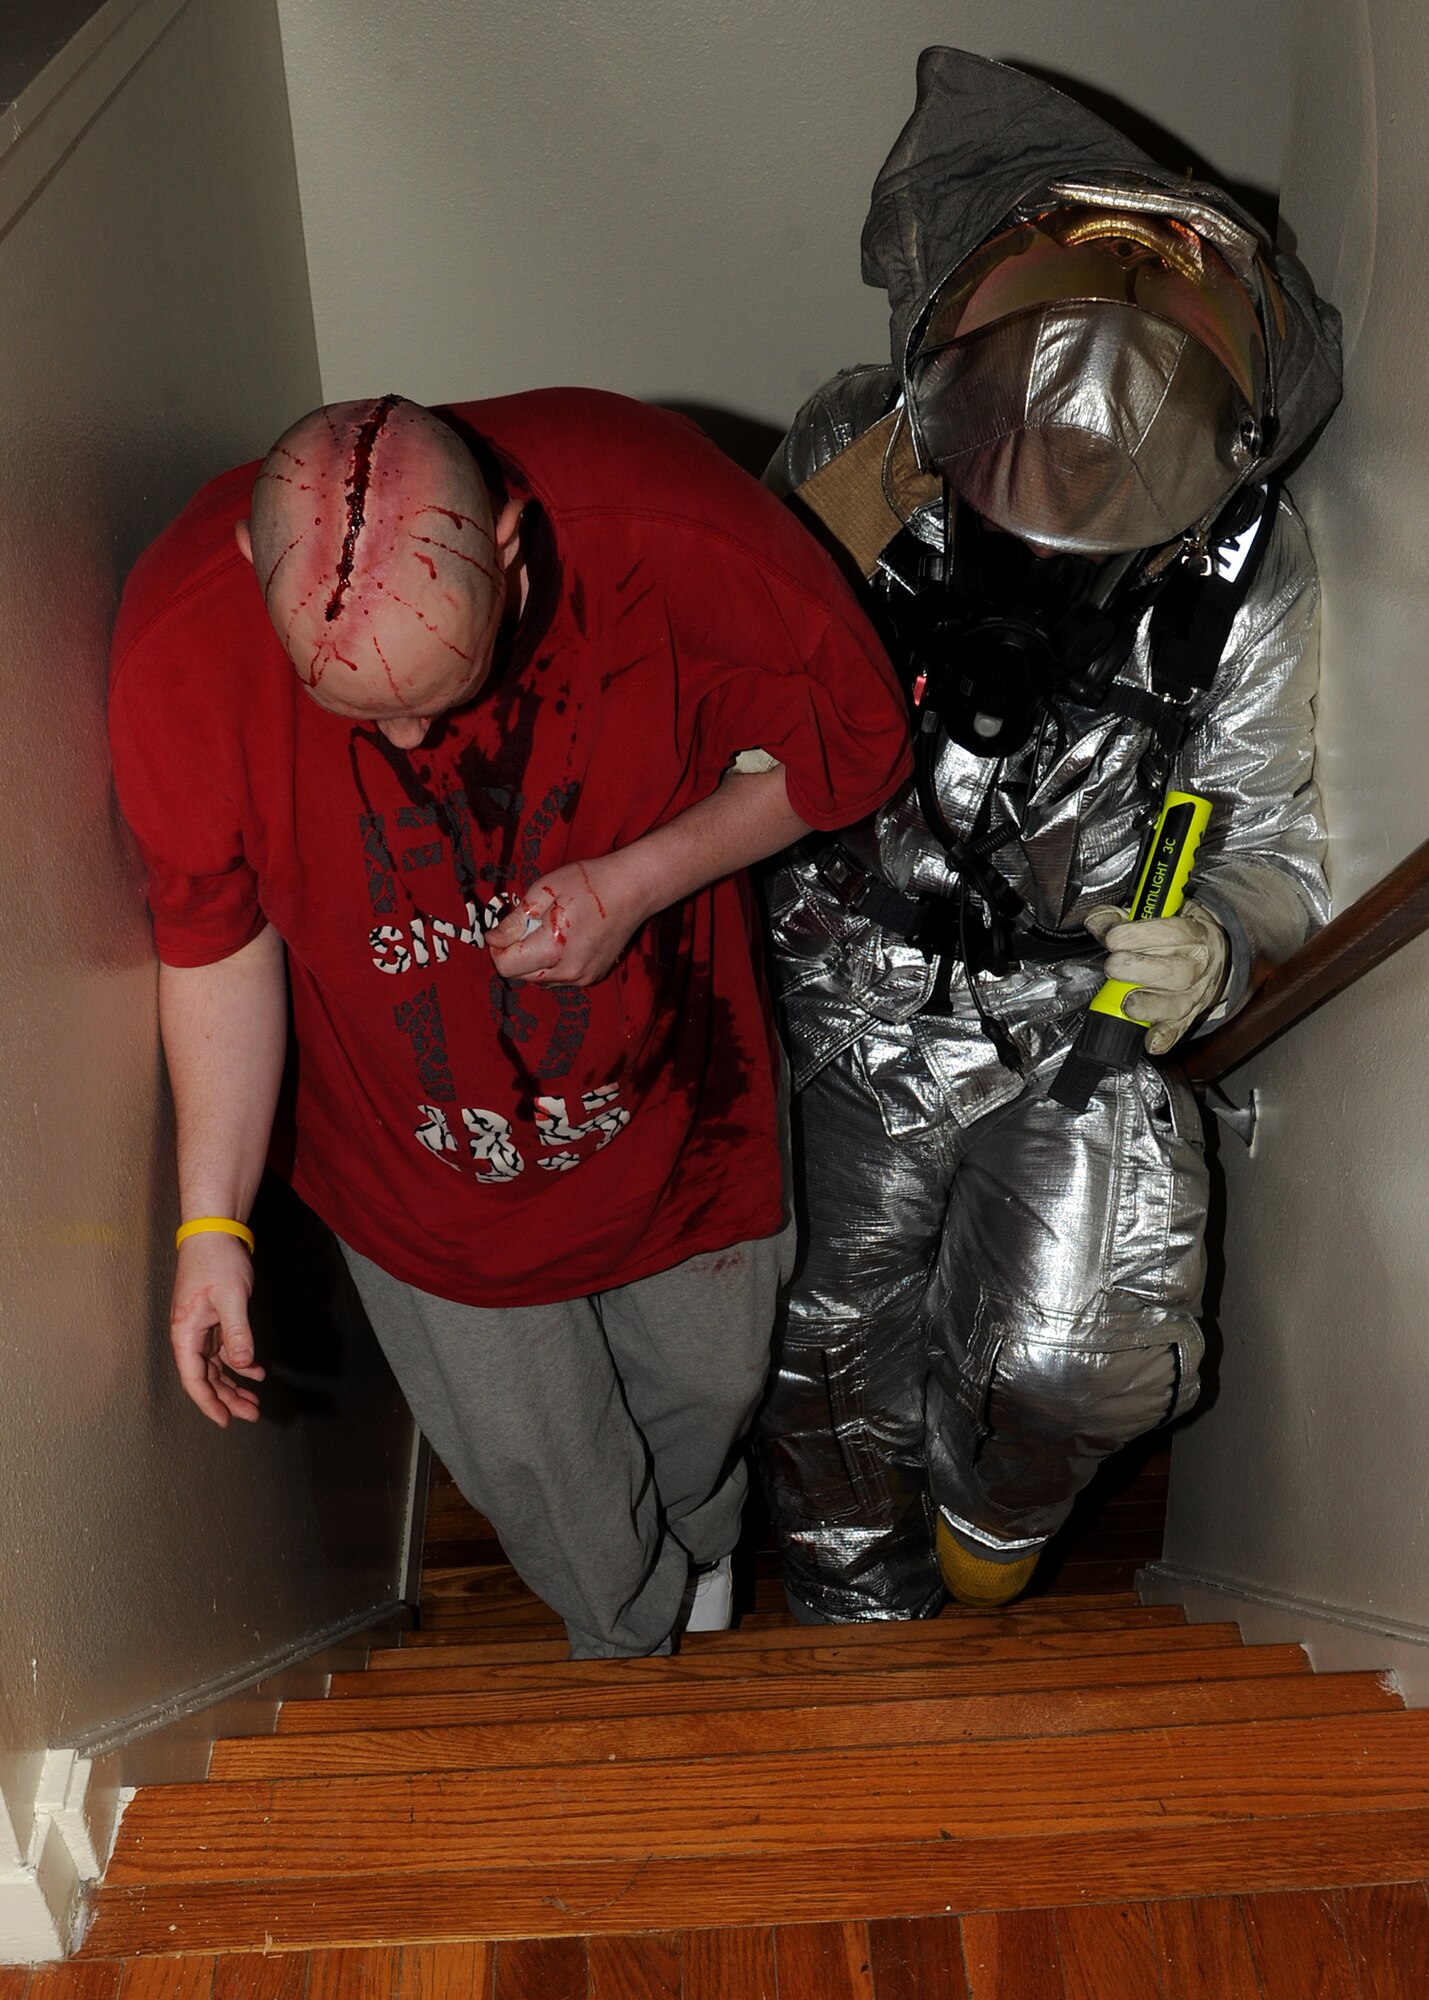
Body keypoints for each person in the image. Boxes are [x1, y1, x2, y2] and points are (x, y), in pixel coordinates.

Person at [108, 388, 911, 1657]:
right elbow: (212, 940)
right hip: (417, 1174)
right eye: (357, 711)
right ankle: (632, 1657)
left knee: (710, 1391)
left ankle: (697, 1555)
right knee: (544, 1475)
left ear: (515, 542)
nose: (412, 738)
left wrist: (633, 882)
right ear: (250, 570)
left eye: (442, 686)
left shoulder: (674, 527)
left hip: (680, 1107)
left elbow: (849, 755)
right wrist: (212, 1219)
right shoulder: (177, 652)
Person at [757, 48, 1343, 1621]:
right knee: (819, 1346)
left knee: (1092, 1355)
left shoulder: (1240, 576)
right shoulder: (862, 458)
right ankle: (852, 1619)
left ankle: (988, 1531)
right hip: (841, 978)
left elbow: (1266, 833)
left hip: (1066, 1013)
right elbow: (732, 688)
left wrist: (1215, 941)